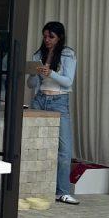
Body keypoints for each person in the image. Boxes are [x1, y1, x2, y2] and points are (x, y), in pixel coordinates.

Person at [27, 21, 78, 204]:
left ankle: (62, 191)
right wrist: (33, 73)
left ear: (60, 37)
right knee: (34, 144)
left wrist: (50, 73)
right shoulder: (38, 54)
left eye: (51, 36)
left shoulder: (67, 54)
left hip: (59, 101)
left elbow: (68, 81)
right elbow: (31, 85)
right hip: (40, 99)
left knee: (64, 149)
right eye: (45, 36)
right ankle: (35, 186)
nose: (47, 40)